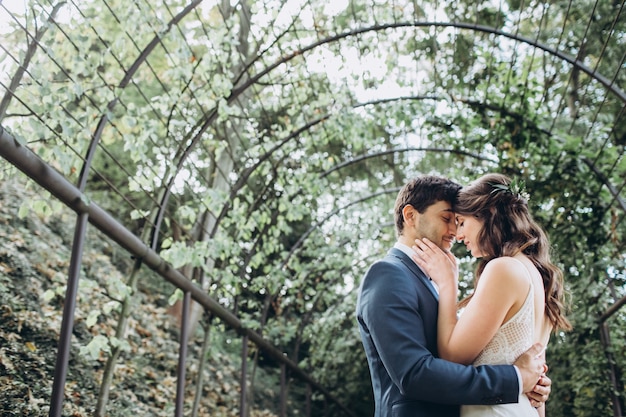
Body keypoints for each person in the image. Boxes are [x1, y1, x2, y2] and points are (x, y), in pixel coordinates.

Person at [356, 175, 551, 417]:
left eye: (458, 221)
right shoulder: (388, 274)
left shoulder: (445, 280)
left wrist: (531, 382)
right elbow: (414, 373)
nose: (454, 232)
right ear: (410, 216)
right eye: (447, 218)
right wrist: (517, 379)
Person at [411, 173, 571, 417]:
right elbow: (537, 391)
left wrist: (447, 283)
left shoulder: (503, 269)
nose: (458, 234)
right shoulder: (538, 277)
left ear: (487, 215)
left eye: (461, 222)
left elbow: (452, 358)